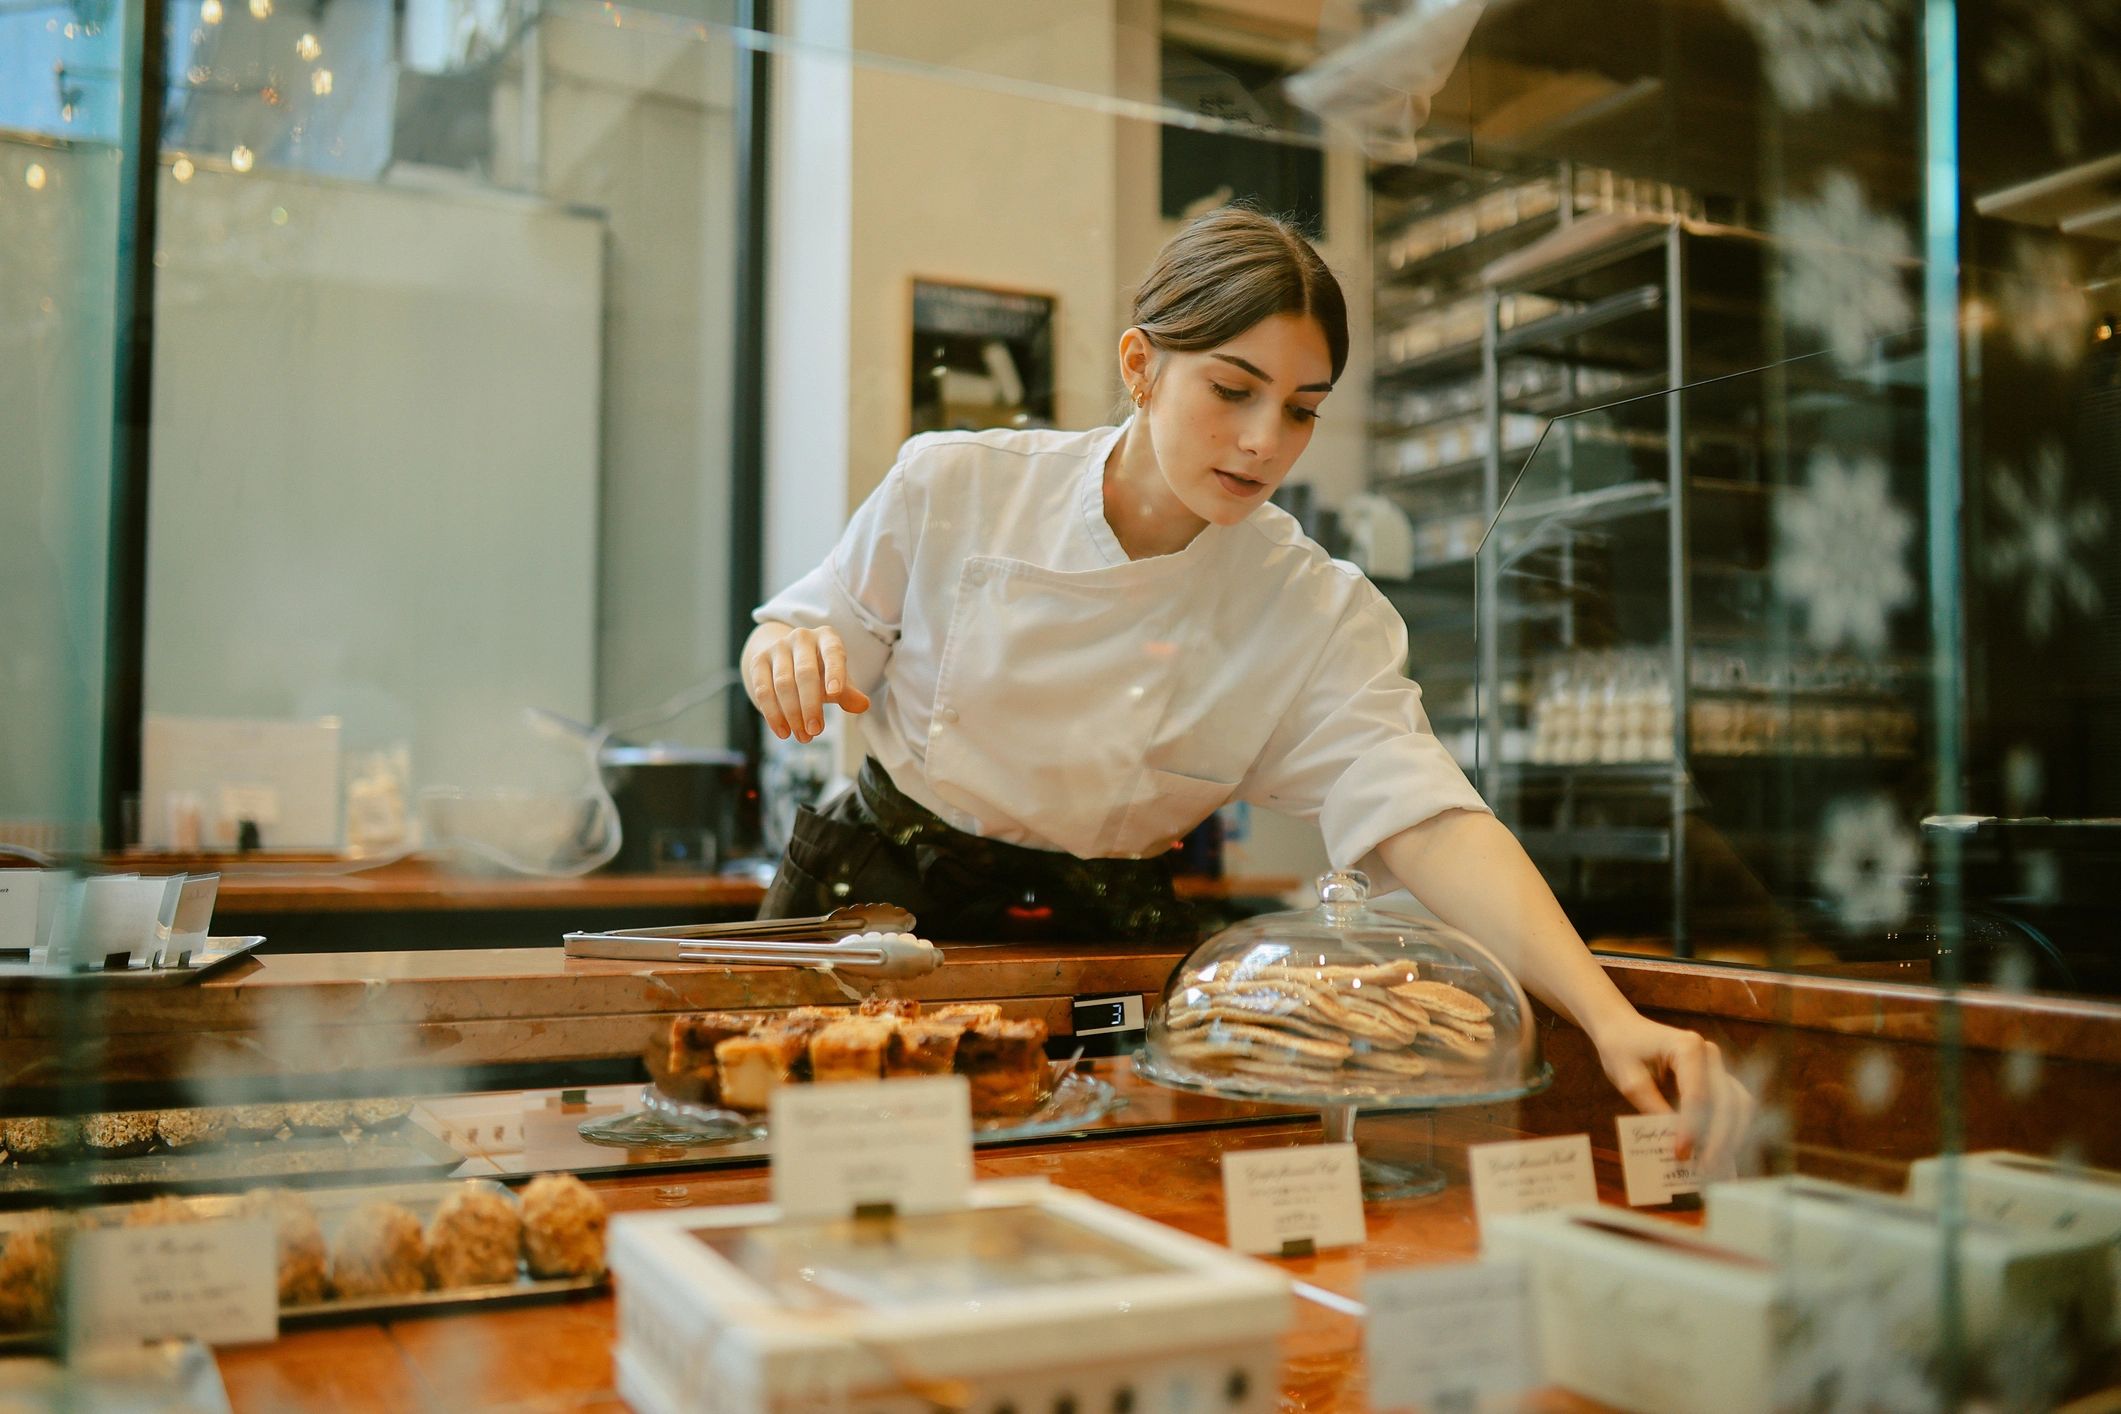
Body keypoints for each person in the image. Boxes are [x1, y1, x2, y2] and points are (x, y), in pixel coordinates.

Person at [744, 205, 1755, 1166]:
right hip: (880, 925)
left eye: (1302, 410)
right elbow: (805, 631)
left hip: (1107, 955)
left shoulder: (1309, 604)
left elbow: (1428, 816)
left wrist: (1612, 1019)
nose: (1265, 440)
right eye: (1233, 391)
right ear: (1141, 365)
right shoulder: (956, 485)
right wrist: (781, 652)